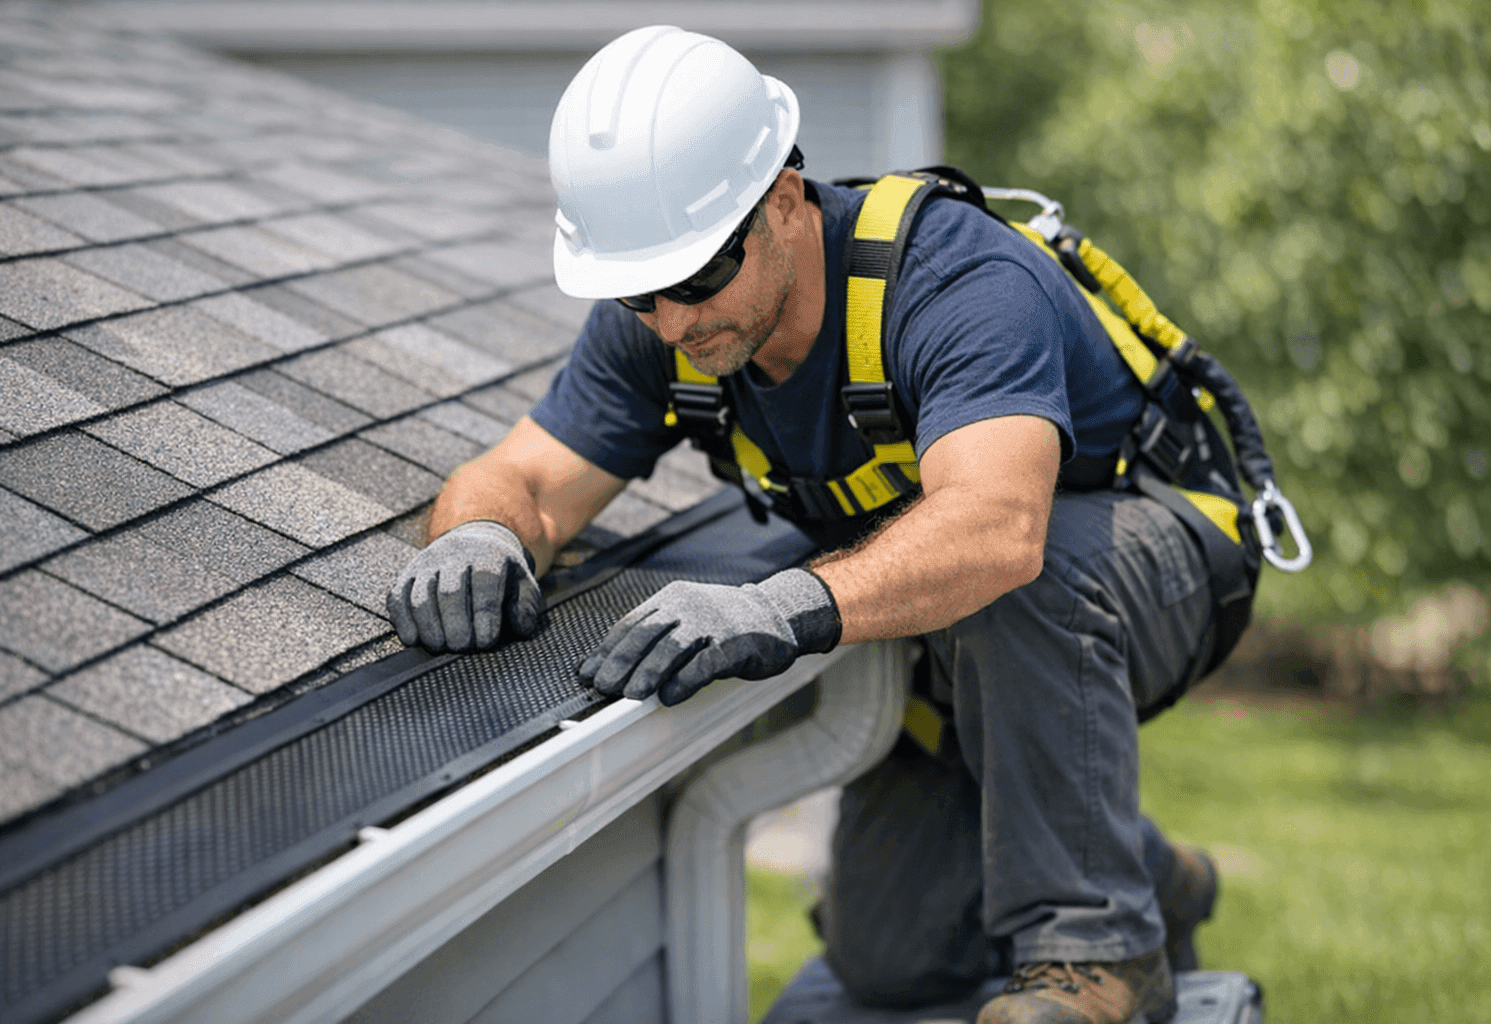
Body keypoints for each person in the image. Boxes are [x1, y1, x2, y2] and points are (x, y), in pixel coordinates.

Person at [388, 25, 1219, 1024]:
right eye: (637, 290)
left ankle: (1098, 955)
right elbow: (523, 474)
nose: (673, 322)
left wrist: (784, 604)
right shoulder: (663, 322)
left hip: (1152, 560)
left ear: (783, 200)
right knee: (888, 960)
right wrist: (478, 535)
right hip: (959, 627)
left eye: (698, 274)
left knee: (1017, 576)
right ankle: (1152, 869)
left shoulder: (955, 285)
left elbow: (998, 529)